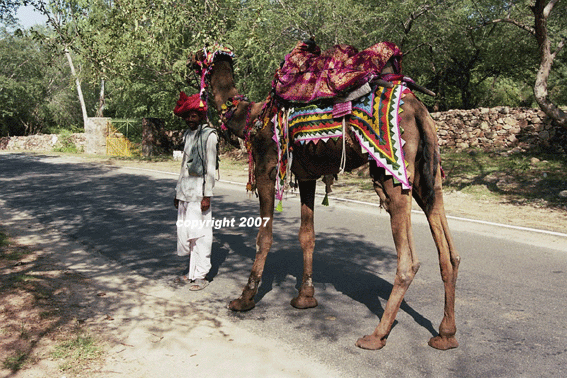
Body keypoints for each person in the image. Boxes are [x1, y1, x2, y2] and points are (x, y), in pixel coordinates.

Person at [173, 92, 218, 291]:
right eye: (187, 116)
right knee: (188, 235)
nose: (190, 120)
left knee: (201, 236)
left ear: (201, 116)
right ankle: (191, 273)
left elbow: (210, 169)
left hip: (199, 195)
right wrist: (177, 192)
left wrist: (206, 196)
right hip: (186, 193)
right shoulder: (188, 135)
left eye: (194, 116)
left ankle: (201, 275)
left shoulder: (210, 136)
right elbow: (184, 165)